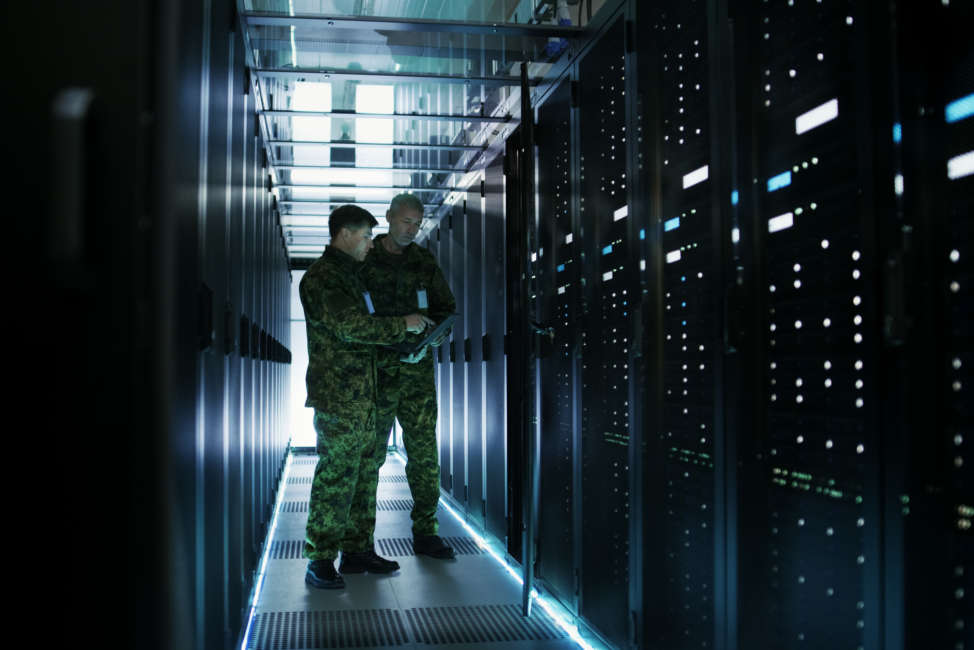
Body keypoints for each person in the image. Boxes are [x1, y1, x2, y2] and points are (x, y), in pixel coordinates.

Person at [300, 204, 433, 589]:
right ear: (344, 234)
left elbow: (367, 333)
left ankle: (357, 550)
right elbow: (349, 327)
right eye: (365, 237)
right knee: (337, 475)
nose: (370, 245)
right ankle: (320, 557)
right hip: (339, 398)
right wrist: (401, 324)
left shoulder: (352, 278)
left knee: (364, 474)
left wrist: (408, 344)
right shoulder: (322, 279)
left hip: (366, 394)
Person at [360, 193, 458, 559]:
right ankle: (360, 541)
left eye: (417, 223)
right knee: (370, 456)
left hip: (416, 373)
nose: (411, 229)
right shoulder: (365, 259)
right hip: (377, 373)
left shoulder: (423, 261)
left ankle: (426, 532)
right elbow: (353, 319)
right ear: (388, 217)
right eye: (405, 222)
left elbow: (446, 310)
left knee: (424, 453)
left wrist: (436, 336)